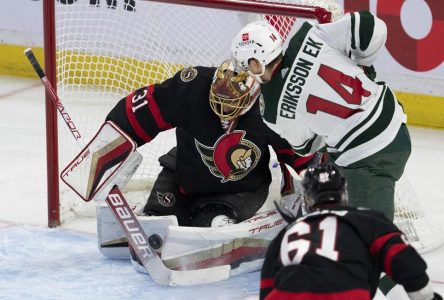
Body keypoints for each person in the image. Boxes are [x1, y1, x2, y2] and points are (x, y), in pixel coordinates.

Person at [231, 11, 411, 221]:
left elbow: (306, 147)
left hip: (367, 156)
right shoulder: (310, 35)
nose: (244, 70)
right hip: (392, 117)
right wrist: (363, 67)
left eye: (245, 64)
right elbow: (370, 26)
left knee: (369, 231)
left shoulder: (271, 110)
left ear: (256, 63)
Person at [105, 59, 314, 227]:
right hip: (182, 179)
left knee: (209, 224)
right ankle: (157, 215)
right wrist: (111, 143)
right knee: (156, 223)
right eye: (219, 99)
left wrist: (312, 189)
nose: (223, 109)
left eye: (231, 102)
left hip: (236, 192)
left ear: (250, 98)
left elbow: (298, 150)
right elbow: (147, 108)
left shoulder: (268, 109)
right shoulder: (193, 89)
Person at [260, 162, 442, 300]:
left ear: (307, 198)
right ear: (344, 192)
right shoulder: (369, 220)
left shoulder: (287, 233)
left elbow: (267, 289)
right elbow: (405, 262)